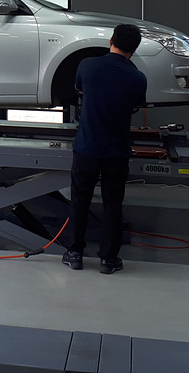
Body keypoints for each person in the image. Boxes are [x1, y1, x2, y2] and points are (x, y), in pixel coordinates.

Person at [62, 23, 147, 274]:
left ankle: (75, 254)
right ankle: (108, 260)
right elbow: (135, 106)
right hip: (116, 151)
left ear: (111, 40)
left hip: (86, 147)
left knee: (80, 200)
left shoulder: (87, 65)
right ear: (135, 49)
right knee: (113, 204)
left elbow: (80, 90)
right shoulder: (138, 78)